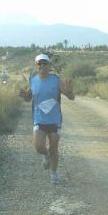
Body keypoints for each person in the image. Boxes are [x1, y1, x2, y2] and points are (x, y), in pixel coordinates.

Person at [20, 53, 75, 185]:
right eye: (40, 63)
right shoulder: (33, 80)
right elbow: (29, 98)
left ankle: (54, 174)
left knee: (54, 147)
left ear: (49, 66)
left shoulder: (56, 80)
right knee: (39, 146)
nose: (42, 66)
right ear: (36, 66)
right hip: (39, 119)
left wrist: (69, 92)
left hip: (55, 120)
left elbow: (71, 97)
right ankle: (46, 156)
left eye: (45, 63)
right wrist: (24, 96)